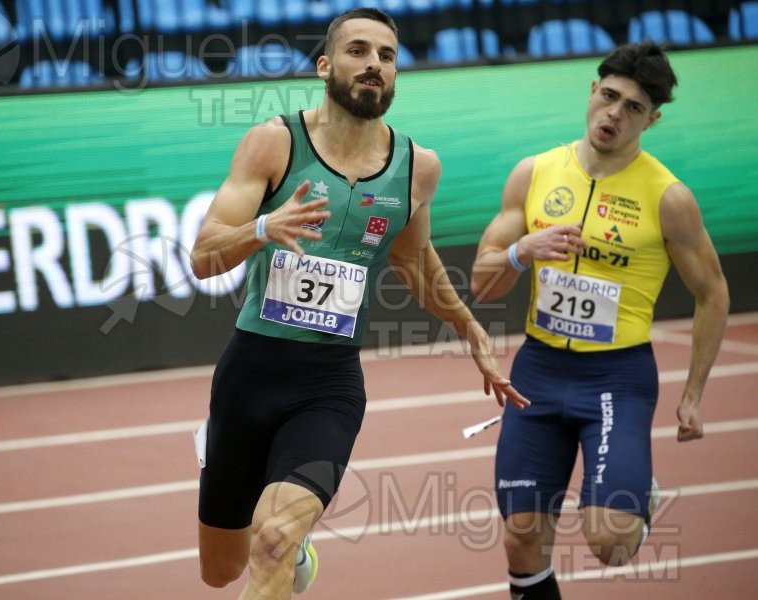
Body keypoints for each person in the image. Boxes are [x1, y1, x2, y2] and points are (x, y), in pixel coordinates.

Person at [190, 8, 529, 599]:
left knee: (273, 539)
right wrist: (265, 228)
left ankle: (289, 545)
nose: (374, 63)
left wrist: (470, 328)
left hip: (329, 385)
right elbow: (204, 256)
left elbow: (414, 262)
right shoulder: (273, 142)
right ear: (325, 66)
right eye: (359, 51)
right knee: (220, 570)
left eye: (387, 56)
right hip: (248, 376)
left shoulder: (417, 166)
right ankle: (223, 465)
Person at [470, 41, 729, 599]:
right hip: (536, 371)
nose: (615, 113)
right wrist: (524, 250)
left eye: (633, 107)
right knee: (520, 539)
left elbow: (713, 292)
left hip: (616, 378)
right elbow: (481, 280)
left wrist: (693, 395)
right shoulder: (534, 173)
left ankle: (639, 496)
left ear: (652, 119)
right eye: (609, 96)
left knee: (610, 543)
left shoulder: (669, 197)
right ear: (592, 92)